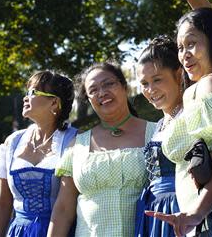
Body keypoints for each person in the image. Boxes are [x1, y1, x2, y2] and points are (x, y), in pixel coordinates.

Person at [146, 8, 212, 237]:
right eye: (180, 48)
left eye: (192, 44)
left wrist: (195, 213)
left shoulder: (210, 86)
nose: (184, 54)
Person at [47, 62, 156, 237]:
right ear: (89, 100)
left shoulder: (157, 133)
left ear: (124, 87)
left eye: (108, 84)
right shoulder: (77, 145)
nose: (102, 93)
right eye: (93, 90)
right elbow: (63, 209)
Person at [0, 71, 77, 237]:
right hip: (19, 231)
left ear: (54, 102)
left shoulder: (74, 141)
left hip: (60, 231)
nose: (25, 97)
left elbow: (66, 208)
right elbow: (4, 203)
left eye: (33, 92)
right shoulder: (13, 142)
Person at [135, 37, 183, 237]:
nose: (150, 90)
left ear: (179, 75)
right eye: (144, 83)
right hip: (155, 213)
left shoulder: (191, 114)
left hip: (181, 207)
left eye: (157, 80)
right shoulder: (160, 125)